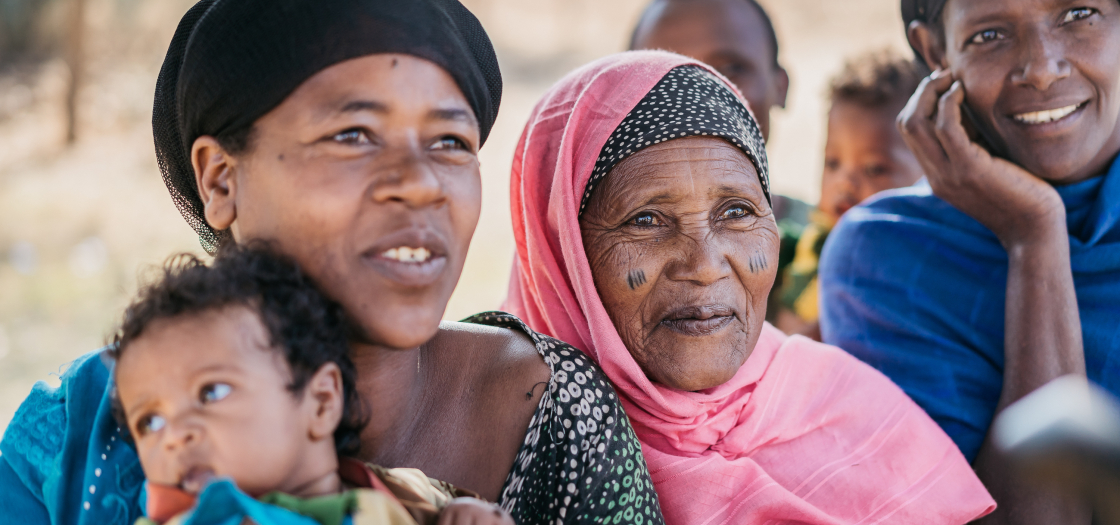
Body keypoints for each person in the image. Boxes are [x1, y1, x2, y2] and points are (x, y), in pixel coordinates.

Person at [0, 1, 664, 524]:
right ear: (220, 180)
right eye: (353, 134)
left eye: (451, 141)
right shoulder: (78, 434)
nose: (420, 181)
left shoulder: (552, 409)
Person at [503, 50, 995, 525]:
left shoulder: (847, 409)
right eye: (646, 220)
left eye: (736, 211)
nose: (704, 266)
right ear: (560, 247)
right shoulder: (501, 427)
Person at [818, 0, 1120, 522]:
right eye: (989, 35)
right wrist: (1034, 239)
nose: (1043, 69)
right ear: (935, 52)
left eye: (1079, 14)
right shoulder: (886, 257)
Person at [110, 246, 512, 525]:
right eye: (150, 422)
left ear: (320, 402)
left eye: (211, 393)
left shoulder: (405, 492)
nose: (176, 436)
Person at [629, 0, 812, 324]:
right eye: (666, 75)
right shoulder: (585, 255)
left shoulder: (834, 243)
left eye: (731, 70)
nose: (699, 96)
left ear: (780, 87)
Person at [774, 50, 924, 338]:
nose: (845, 183)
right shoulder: (809, 241)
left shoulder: (904, 259)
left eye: (874, 169)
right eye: (832, 163)